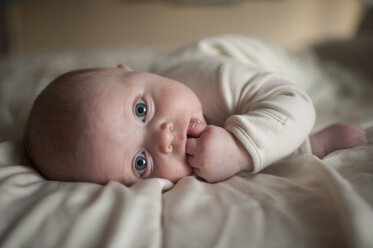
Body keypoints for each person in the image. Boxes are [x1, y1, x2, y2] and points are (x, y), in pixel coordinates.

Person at [24, 35, 368, 186]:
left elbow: (296, 102)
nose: (164, 139)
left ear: (129, 71)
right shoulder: (182, 124)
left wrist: (240, 150)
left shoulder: (209, 78)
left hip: (291, 68)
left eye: (141, 109)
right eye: (140, 163)